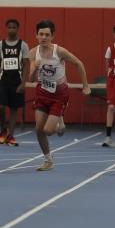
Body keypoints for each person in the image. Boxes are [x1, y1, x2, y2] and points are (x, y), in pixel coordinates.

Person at [26, 19, 90, 172]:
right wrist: (35, 69)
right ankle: (48, 159)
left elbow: (79, 64)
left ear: (52, 36)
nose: (43, 37)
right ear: (36, 35)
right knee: (39, 129)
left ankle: (60, 119)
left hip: (59, 94)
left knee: (48, 131)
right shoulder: (33, 53)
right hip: (42, 92)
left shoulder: (59, 51)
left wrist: (85, 85)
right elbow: (31, 79)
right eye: (41, 34)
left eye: (47, 35)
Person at [0, 18, 29, 146]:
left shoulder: (23, 45)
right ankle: (3, 128)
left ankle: (11, 136)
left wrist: (23, 83)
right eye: (9, 27)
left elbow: (26, 65)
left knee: (14, 110)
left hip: (17, 82)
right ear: (6, 29)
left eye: (14, 27)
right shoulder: (0, 45)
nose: (12, 29)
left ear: (18, 29)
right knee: (1, 107)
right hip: (3, 81)